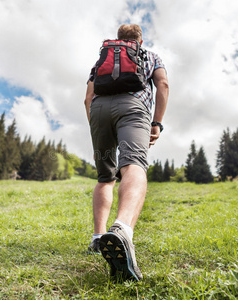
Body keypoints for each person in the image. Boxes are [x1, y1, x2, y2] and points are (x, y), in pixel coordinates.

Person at [84, 24, 169, 281]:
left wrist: (97, 124)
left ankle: (98, 238)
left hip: (99, 110)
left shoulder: (102, 58)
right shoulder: (150, 56)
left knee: (105, 176)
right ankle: (122, 229)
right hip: (133, 107)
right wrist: (157, 122)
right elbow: (162, 84)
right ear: (139, 40)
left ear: (118, 39)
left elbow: (88, 97)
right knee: (134, 164)